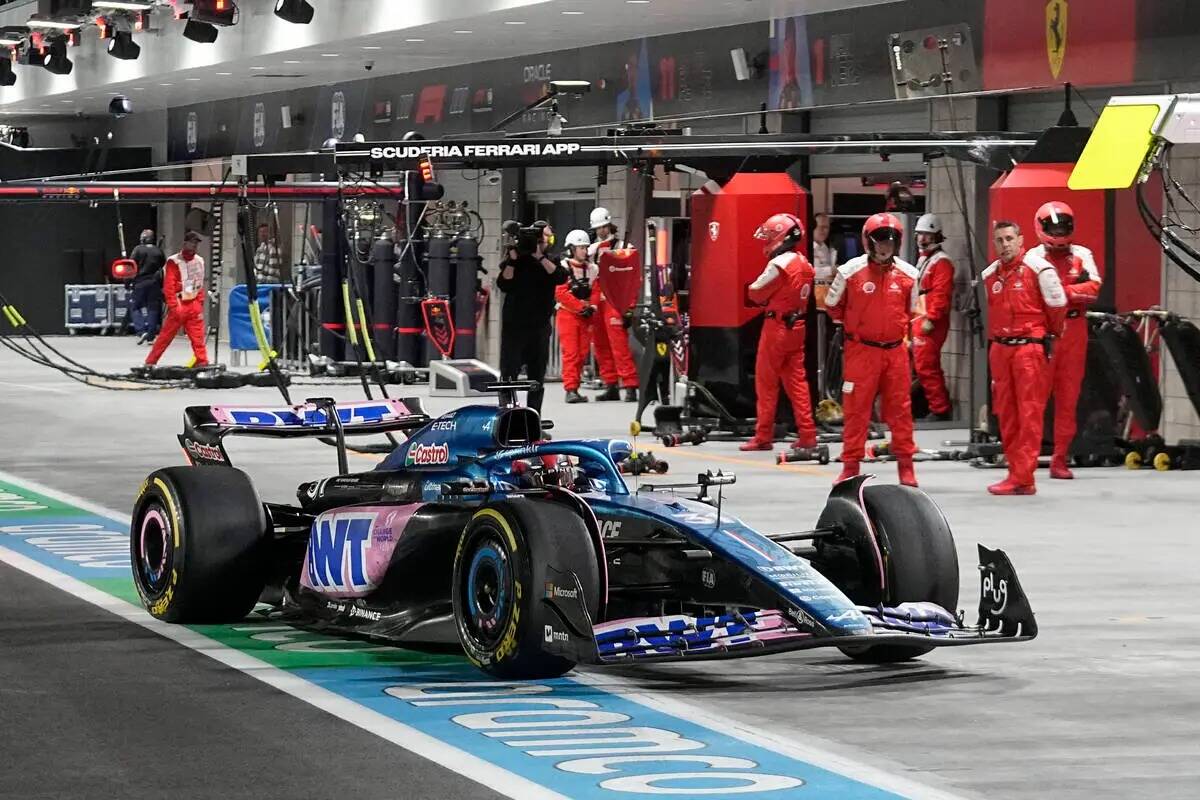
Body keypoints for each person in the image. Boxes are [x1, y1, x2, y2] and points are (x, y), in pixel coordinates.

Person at [825, 212, 921, 488]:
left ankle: (906, 467)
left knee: (901, 411)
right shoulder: (849, 272)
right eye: (880, 240)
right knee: (856, 411)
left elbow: (911, 310)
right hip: (861, 351)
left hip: (895, 353)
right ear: (868, 241)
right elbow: (833, 306)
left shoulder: (909, 275)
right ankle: (850, 467)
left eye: (891, 240)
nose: (885, 245)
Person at [983, 221, 1067, 496]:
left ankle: (1023, 476)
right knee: (1006, 413)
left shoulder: (1038, 269)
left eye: (1009, 238)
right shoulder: (990, 275)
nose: (1005, 244)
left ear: (1021, 240)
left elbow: (1057, 306)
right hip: (1000, 349)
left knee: (1029, 413)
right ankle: (1016, 473)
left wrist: (1048, 335)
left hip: (1029, 349)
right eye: (999, 240)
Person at [1029, 202, 1102, 480]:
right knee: (1035, 399)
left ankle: (1060, 459)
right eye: (1054, 227)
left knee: (1068, 398)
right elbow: (1034, 295)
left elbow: (1093, 289)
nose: (1058, 232)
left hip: (1074, 328)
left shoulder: (1083, 254)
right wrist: (1072, 291)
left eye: (1063, 227)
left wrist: (1061, 292)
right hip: (1045, 330)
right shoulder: (1033, 258)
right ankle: (1028, 458)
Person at [740, 213, 818, 453]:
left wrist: (754, 295)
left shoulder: (780, 264)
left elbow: (756, 291)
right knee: (798, 384)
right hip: (798, 328)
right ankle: (808, 434)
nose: (766, 241)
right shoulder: (805, 264)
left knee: (767, 384)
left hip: (777, 329)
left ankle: (763, 436)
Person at [496, 221, 567, 414]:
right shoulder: (516, 259)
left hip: (539, 327)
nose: (541, 240)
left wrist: (540, 257)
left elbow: (560, 277)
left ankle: (533, 420)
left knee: (537, 378)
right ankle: (507, 418)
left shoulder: (551, 260)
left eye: (543, 236)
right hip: (514, 327)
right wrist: (512, 259)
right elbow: (503, 283)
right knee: (508, 376)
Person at [588, 207, 639, 402]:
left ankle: (630, 385)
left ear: (609, 224)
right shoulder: (591, 249)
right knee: (600, 344)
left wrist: (629, 306)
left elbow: (632, 278)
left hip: (615, 299)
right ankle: (610, 384)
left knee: (619, 344)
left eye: (603, 226)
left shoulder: (625, 246)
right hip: (597, 299)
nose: (600, 231)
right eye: (597, 228)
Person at [910, 213, 956, 421]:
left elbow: (941, 294)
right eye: (920, 235)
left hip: (929, 320)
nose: (922, 239)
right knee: (922, 365)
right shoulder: (926, 259)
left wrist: (932, 319)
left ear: (936, 236)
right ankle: (935, 406)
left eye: (927, 235)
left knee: (926, 365)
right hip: (920, 316)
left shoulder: (941, 262)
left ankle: (940, 409)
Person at [144, 231, 209, 368]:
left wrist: (199, 303)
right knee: (165, 337)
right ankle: (150, 362)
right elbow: (169, 286)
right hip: (180, 303)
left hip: (193, 303)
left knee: (198, 337)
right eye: (192, 242)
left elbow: (200, 283)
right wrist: (174, 306)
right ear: (184, 243)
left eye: (196, 243)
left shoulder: (199, 261)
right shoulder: (174, 262)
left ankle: (202, 361)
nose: (194, 246)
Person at [555, 229, 601, 405]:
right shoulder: (564, 268)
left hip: (586, 314)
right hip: (568, 314)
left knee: (582, 353)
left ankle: (575, 387)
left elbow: (596, 290)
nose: (584, 251)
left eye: (585, 247)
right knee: (571, 353)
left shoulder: (592, 269)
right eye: (581, 247)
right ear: (572, 249)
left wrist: (593, 307)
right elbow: (561, 293)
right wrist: (581, 307)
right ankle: (570, 389)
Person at [129, 229, 165, 345]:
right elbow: (162, 265)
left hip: (140, 281)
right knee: (152, 309)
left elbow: (131, 266)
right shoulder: (158, 251)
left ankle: (141, 330)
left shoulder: (138, 249)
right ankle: (151, 336)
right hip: (154, 283)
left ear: (143, 238)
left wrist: (127, 281)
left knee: (135, 307)